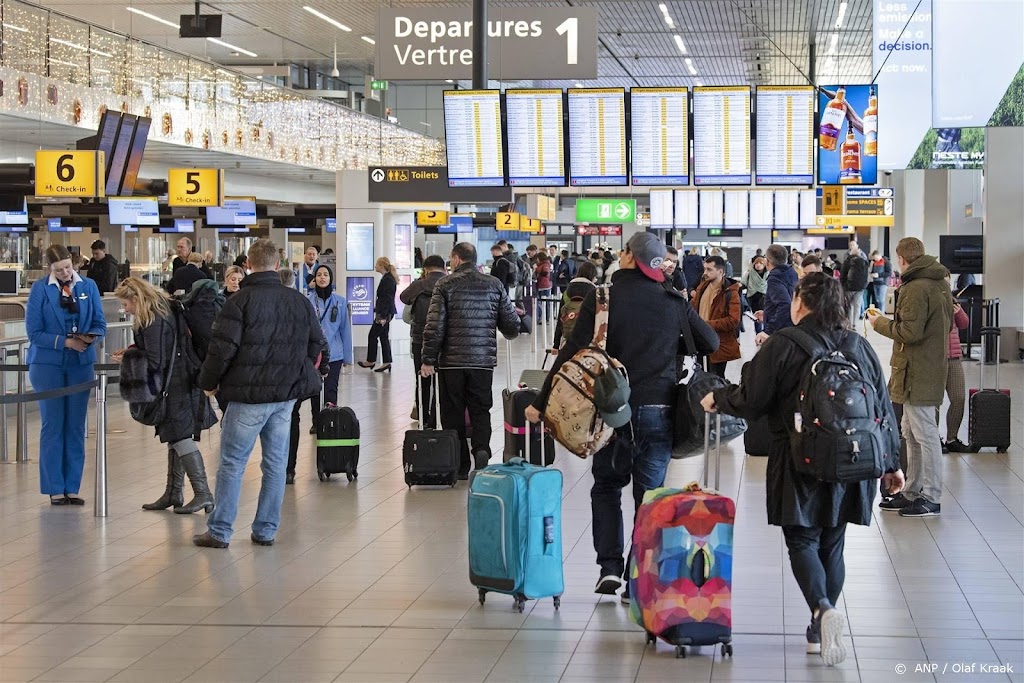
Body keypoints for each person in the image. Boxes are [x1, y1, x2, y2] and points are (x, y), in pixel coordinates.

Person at [701, 273, 904, 666]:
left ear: (800, 302)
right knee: (833, 541)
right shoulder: (859, 346)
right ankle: (817, 628)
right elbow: (881, 407)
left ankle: (822, 609)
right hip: (855, 458)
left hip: (799, 457)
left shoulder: (783, 344)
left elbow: (752, 400)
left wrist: (718, 399)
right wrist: (892, 464)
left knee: (803, 540)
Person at [526, 232, 718, 600]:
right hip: (659, 412)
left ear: (628, 256)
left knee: (607, 486)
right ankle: (637, 575)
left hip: (611, 413)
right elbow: (708, 341)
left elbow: (571, 351)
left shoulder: (602, 298)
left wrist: (542, 397)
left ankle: (609, 568)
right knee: (649, 497)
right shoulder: (672, 300)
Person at [193, 240, 327, 548]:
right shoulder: (299, 301)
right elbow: (316, 342)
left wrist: (208, 382)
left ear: (248, 266)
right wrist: (298, 367)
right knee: (276, 465)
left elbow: (221, 349)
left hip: (246, 397)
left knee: (232, 463)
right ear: (278, 265)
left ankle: (220, 530)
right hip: (284, 399)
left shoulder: (238, 302)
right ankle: (266, 529)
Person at [111, 278, 217, 513]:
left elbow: (156, 360)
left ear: (137, 299)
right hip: (181, 379)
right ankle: (173, 492)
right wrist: (131, 350)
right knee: (174, 435)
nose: (124, 309)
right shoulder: (164, 308)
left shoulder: (153, 320)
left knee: (180, 436)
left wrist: (128, 359)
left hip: (174, 385)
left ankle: (203, 493)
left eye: (125, 304)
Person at [420, 242, 521, 479]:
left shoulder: (444, 284)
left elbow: (434, 326)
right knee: (480, 409)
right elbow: (512, 325)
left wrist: (427, 358)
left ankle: (460, 463)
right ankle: (482, 450)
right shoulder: (494, 284)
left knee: (453, 412)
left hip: (452, 362)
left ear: (456, 259)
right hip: (482, 362)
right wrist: (507, 331)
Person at [868, 238, 953, 517]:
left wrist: (878, 322)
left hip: (918, 370)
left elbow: (909, 332)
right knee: (910, 430)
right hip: (919, 368)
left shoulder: (917, 288)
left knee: (925, 433)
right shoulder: (939, 282)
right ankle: (912, 491)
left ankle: (931, 496)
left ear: (902, 258)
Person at [25, 245, 107, 505]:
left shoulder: (89, 286)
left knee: (75, 425)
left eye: (67, 268)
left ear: (73, 264)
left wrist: (89, 337)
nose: (64, 273)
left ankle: (72, 486)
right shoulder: (40, 289)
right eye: (58, 270)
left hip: (80, 363)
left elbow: (100, 323)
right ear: (49, 269)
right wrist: (65, 342)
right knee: (53, 424)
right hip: (48, 364)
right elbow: (35, 333)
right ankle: (54, 488)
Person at [288, 264, 352, 484]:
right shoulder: (307, 300)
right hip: (313, 354)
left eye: (326, 274)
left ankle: (329, 420)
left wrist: (348, 358)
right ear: (314, 279)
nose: (322, 277)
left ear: (331, 278)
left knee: (331, 389)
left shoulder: (340, 302)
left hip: (334, 354)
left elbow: (345, 329)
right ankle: (317, 420)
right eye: (319, 275)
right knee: (314, 389)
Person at [400, 255, 447, 423]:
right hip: (445, 340)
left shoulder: (419, 285)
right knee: (441, 380)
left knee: (422, 379)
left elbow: (404, 298)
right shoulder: (450, 282)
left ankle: (422, 416)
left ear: (425, 269)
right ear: (444, 268)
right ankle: (437, 417)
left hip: (421, 339)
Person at [691, 255, 741, 377]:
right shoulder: (702, 287)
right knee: (700, 378)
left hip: (718, 345)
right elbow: (692, 309)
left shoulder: (731, 293)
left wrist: (706, 324)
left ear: (721, 272)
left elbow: (733, 320)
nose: (705, 273)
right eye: (704, 269)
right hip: (700, 341)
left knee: (716, 378)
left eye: (709, 270)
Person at [942, 286, 970, 453]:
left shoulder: (953, 302)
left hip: (954, 357)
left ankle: (952, 438)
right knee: (934, 401)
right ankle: (935, 439)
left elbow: (964, 323)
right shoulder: (929, 299)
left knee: (958, 397)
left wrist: (958, 312)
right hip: (935, 360)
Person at [357, 257, 398, 373]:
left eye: (377, 264)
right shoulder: (388, 278)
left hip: (384, 314)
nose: (375, 266)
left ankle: (371, 360)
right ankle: (386, 362)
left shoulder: (387, 280)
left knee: (372, 335)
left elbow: (386, 298)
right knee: (383, 336)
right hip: (385, 312)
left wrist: (382, 316)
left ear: (381, 265)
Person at [756, 244, 799, 345]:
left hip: (779, 332)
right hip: (791, 327)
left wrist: (768, 330)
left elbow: (785, 304)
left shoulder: (775, 278)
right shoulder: (791, 273)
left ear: (767, 261)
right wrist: (767, 313)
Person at [552, 260, 598, 350]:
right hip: (587, 339)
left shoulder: (567, 292)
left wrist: (556, 344)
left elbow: (560, 319)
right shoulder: (594, 292)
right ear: (592, 276)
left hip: (569, 337)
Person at [840, 238, 870, 328]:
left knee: (849, 306)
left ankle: (849, 324)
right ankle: (855, 324)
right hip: (860, 288)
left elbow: (843, 275)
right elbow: (866, 275)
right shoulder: (864, 261)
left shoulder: (847, 262)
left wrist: (843, 285)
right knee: (857, 306)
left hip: (849, 287)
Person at [743, 256, 768, 334]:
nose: (758, 265)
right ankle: (759, 333)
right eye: (756, 263)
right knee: (756, 317)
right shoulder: (749, 273)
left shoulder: (768, 274)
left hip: (765, 298)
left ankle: (765, 333)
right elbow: (743, 284)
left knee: (766, 317)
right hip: (753, 298)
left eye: (761, 263)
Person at [534, 252, 553, 322]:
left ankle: (546, 318)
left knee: (545, 303)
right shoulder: (541, 264)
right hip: (540, 285)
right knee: (540, 303)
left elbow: (545, 273)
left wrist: (537, 270)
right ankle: (541, 317)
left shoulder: (545, 264)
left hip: (544, 286)